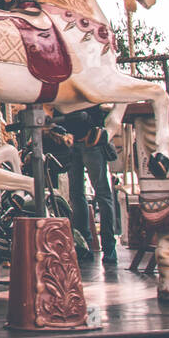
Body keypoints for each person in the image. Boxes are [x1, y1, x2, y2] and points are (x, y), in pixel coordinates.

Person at [56, 105, 119, 265]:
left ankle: (108, 246)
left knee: (101, 193)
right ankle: (84, 244)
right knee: (77, 195)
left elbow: (97, 111)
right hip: (73, 143)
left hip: (90, 142)